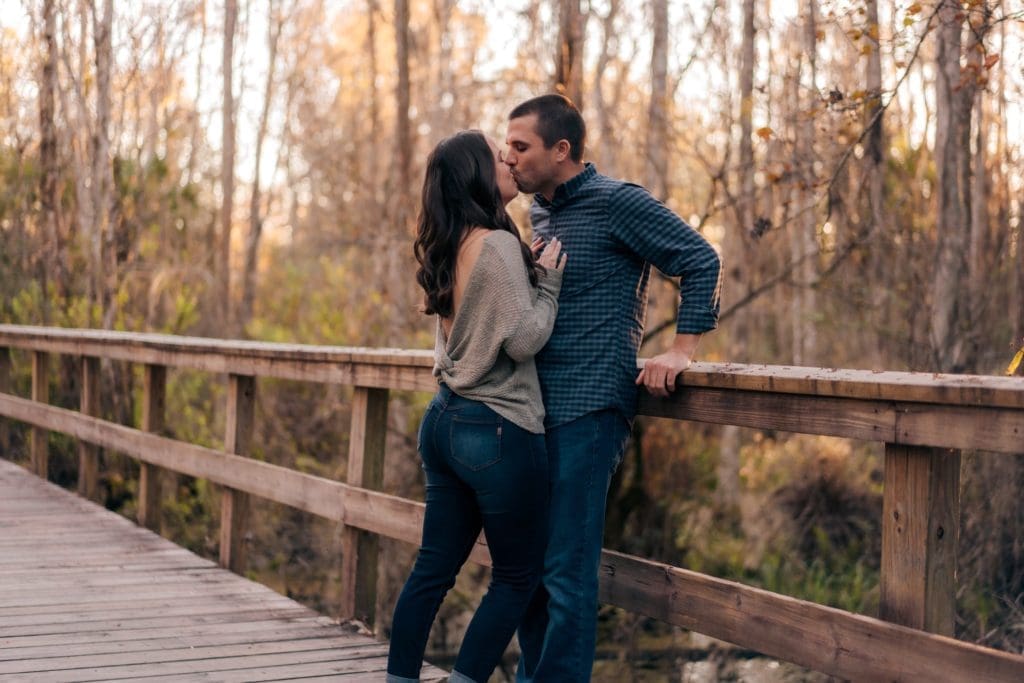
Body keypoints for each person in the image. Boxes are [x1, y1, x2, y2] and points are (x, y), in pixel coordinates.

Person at [504, 94, 723, 681]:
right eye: (508, 147)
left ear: (561, 149)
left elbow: (701, 259)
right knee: (526, 572)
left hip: (591, 413)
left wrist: (681, 349)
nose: (510, 157)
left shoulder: (617, 202)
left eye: (521, 147)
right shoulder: (540, 214)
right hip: (532, 412)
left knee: (567, 575)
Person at [386, 129, 567, 683]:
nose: (509, 161)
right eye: (496, 156)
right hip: (498, 428)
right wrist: (551, 285)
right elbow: (523, 340)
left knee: (433, 570)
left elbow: (475, 326)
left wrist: (527, 278)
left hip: (444, 420)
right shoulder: (496, 243)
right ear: (476, 176)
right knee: (517, 577)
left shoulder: (453, 242)